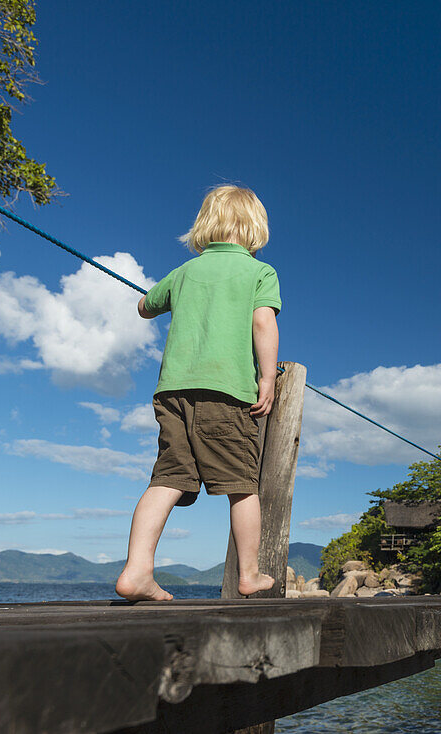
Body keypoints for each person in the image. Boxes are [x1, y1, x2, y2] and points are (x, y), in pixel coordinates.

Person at [116, 185, 281, 601]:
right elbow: (263, 323)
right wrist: (267, 379)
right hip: (226, 394)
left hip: (172, 393)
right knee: (243, 484)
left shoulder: (185, 271)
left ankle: (136, 571)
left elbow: (144, 307)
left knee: (166, 479)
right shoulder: (260, 272)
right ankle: (249, 574)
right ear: (255, 228)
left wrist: (164, 295)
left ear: (205, 225)